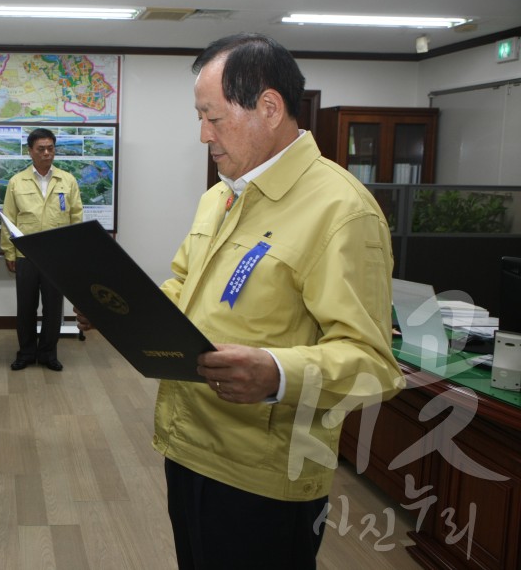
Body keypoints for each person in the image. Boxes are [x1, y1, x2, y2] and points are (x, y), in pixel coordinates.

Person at [79, 34, 403, 569]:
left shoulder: (342, 211)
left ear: (269, 108)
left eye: (214, 117)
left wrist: (277, 373)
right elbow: (183, 290)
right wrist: (123, 312)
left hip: (264, 474)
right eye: (199, 117)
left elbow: (374, 364)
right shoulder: (221, 196)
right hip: (189, 445)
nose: (203, 134)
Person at [1, 128, 83, 372]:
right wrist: (9, 252)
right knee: (25, 307)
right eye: (41, 149)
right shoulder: (17, 181)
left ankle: (48, 353)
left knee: (53, 308)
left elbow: (76, 217)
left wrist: (72, 253)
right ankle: (26, 352)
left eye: (50, 148)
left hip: (56, 257)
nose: (47, 153)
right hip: (26, 255)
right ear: (30, 151)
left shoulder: (67, 180)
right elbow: (9, 219)